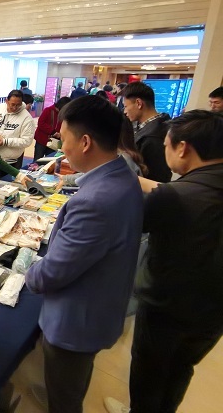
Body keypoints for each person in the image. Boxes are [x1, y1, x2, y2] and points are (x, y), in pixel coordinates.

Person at [26, 96, 144, 413]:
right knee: (71, 382)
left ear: (86, 142)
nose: (62, 147)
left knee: (65, 398)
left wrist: (26, 272)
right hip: (99, 307)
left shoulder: (95, 202)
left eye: (64, 139)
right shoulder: (122, 175)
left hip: (76, 322)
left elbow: (53, 272)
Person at [104, 110, 223, 413]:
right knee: (181, 369)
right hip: (213, 312)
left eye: (167, 145)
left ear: (182, 148)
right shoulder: (201, 187)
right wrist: (141, 182)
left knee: (149, 376)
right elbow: (179, 193)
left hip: (167, 308)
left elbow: (125, 228)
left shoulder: (175, 197)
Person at [122, 82, 172, 182]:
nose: (125, 111)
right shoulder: (160, 124)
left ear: (139, 103)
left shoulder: (153, 138)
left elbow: (155, 177)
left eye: (126, 106)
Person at [0, 90, 36, 168]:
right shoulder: (0, 108)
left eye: (18, 105)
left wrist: (5, 141)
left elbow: (27, 141)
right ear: (6, 101)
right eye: (12, 104)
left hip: (10, 161)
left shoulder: (27, 118)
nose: (14, 108)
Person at [33, 97, 72, 161]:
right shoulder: (48, 110)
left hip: (54, 142)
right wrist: (53, 132)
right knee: (37, 160)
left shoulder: (64, 115)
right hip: (42, 140)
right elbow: (41, 123)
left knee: (50, 160)